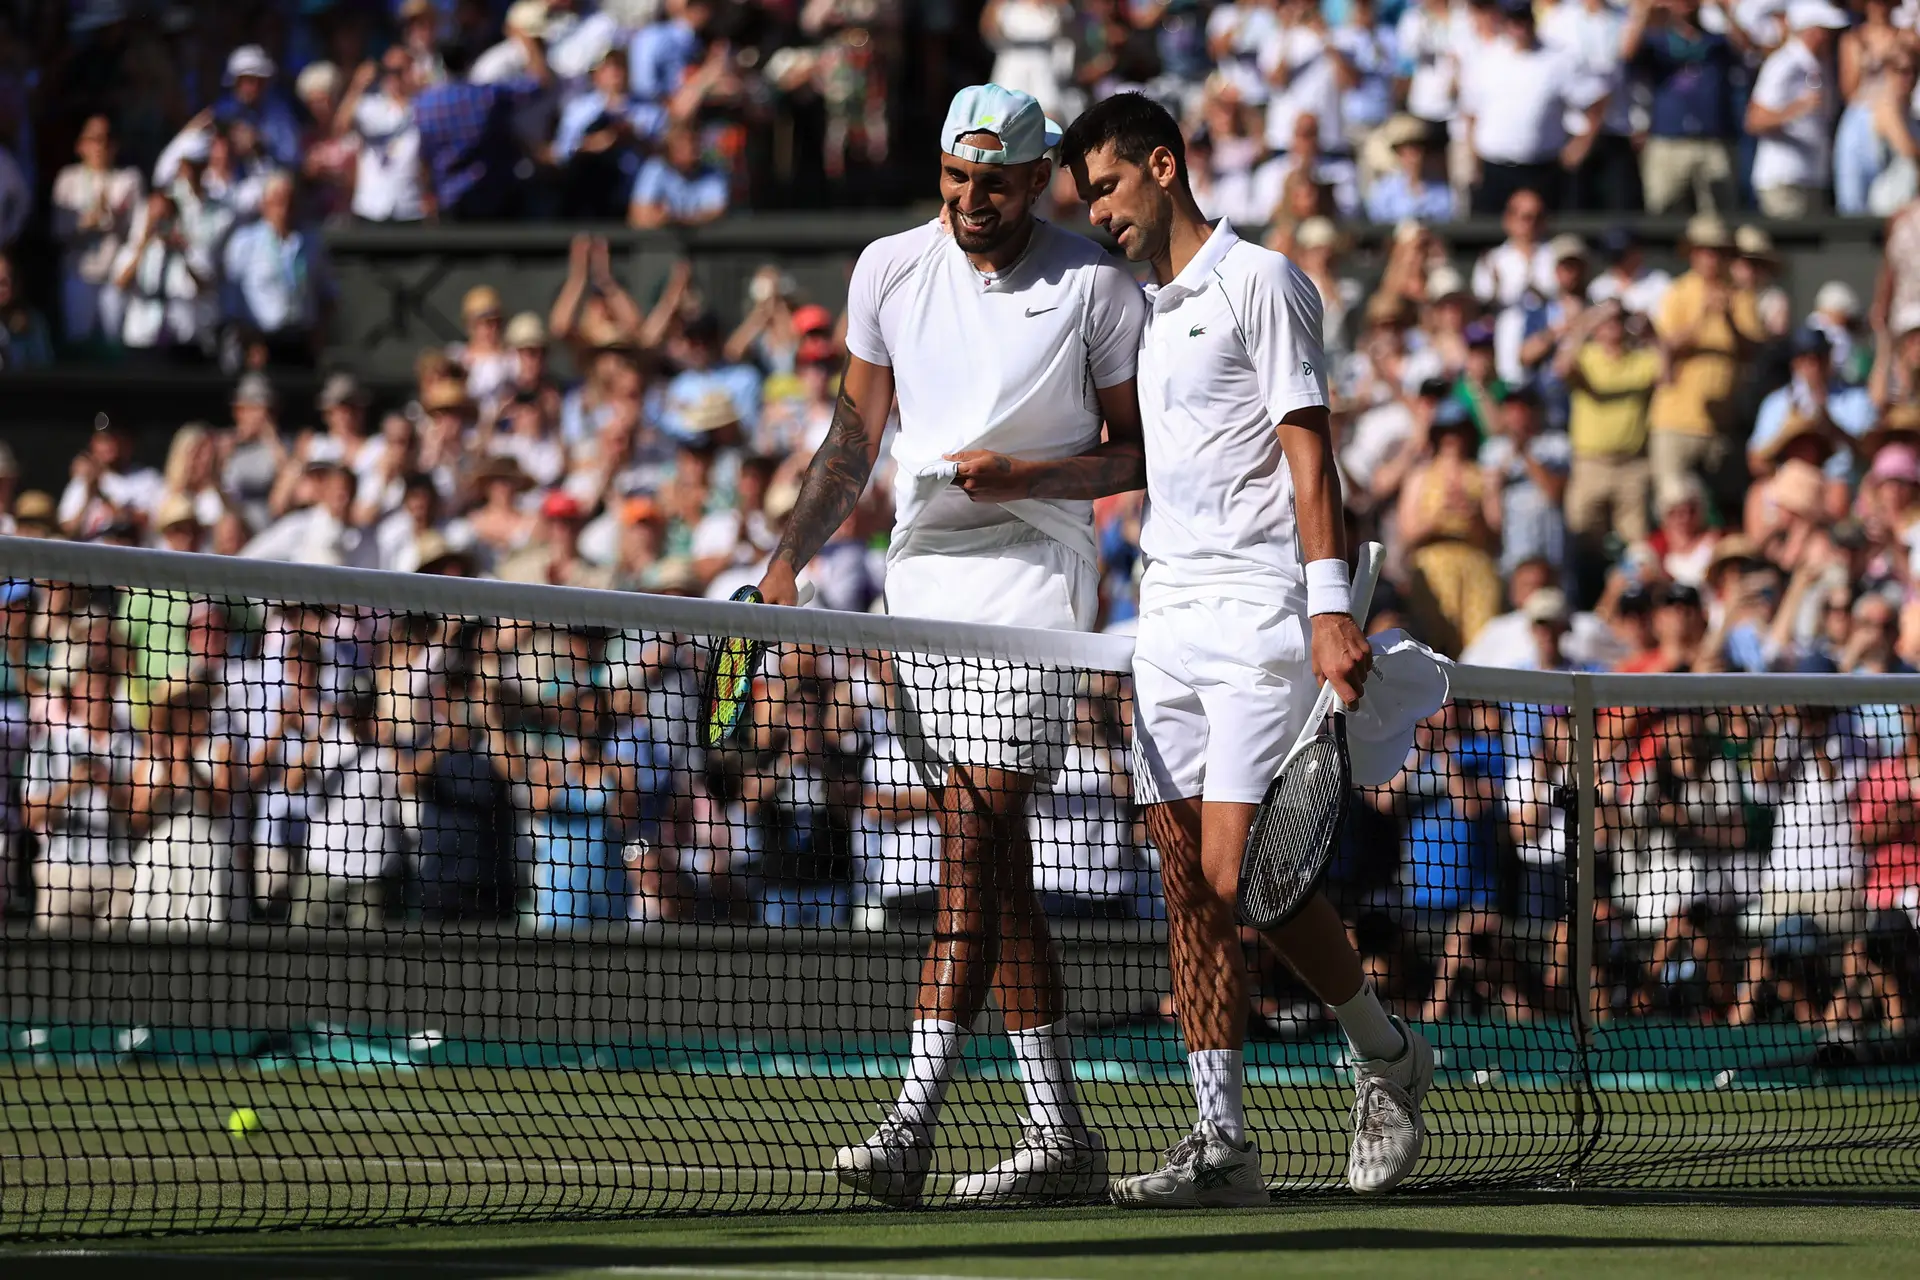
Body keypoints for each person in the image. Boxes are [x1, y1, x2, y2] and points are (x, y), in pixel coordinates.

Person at [756, 84, 1150, 1206]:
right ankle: (1063, 1133)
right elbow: (852, 433)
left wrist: (1027, 477)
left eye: (994, 182)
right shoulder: (886, 267)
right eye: (955, 177)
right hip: (920, 576)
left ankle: (910, 1120)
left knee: (972, 844)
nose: (970, 199)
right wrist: (788, 558)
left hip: (1037, 569)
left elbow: (1135, 458)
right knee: (997, 860)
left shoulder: (1098, 286)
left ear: (1036, 181)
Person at [1062, 91, 1437, 1206]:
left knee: (1242, 881)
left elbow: (1308, 457)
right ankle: (1220, 1142)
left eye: (1109, 188)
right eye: (1085, 199)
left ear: (1165, 167)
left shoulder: (1261, 280)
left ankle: (1387, 1054)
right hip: (1164, 621)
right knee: (1191, 886)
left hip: (1263, 614)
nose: (1098, 214)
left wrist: (1330, 606)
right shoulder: (1142, 308)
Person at [1747, 1, 1852, 219]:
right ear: (1812, 32)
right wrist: (1798, 108)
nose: (1832, 39)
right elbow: (1754, 120)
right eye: (1827, 32)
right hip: (1785, 179)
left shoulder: (1821, 66)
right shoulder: (1782, 64)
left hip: (1813, 176)